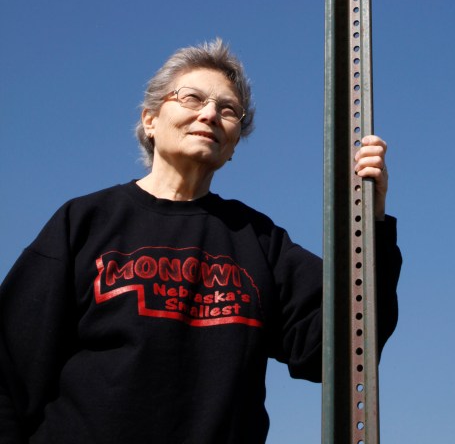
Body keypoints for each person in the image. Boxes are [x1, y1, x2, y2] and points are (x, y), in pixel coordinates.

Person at [0, 40, 401, 443]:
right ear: (150, 120)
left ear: (232, 146)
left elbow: (341, 349)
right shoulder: (84, 222)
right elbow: (10, 368)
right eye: (192, 98)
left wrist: (371, 222)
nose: (209, 114)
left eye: (229, 111)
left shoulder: (260, 241)